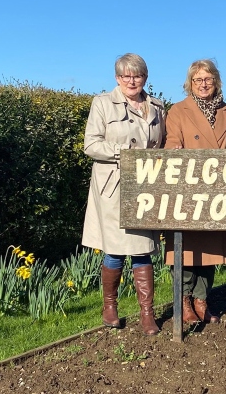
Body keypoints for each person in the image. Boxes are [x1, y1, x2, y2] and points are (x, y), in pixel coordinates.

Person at [82, 53, 166, 336]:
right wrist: (124, 154)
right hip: (114, 187)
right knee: (115, 249)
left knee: (143, 249)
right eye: (126, 76)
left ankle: (146, 314)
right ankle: (110, 307)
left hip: (145, 186)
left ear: (145, 77)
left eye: (138, 75)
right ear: (117, 78)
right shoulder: (102, 103)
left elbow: (162, 144)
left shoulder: (157, 106)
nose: (132, 80)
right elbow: (91, 145)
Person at [164, 59, 226, 324]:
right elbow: (172, 142)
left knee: (209, 250)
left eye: (208, 79)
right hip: (188, 192)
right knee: (186, 248)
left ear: (215, 81)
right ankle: (183, 300)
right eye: (198, 80)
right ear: (190, 83)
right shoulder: (178, 111)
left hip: (217, 192)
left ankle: (201, 300)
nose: (203, 84)